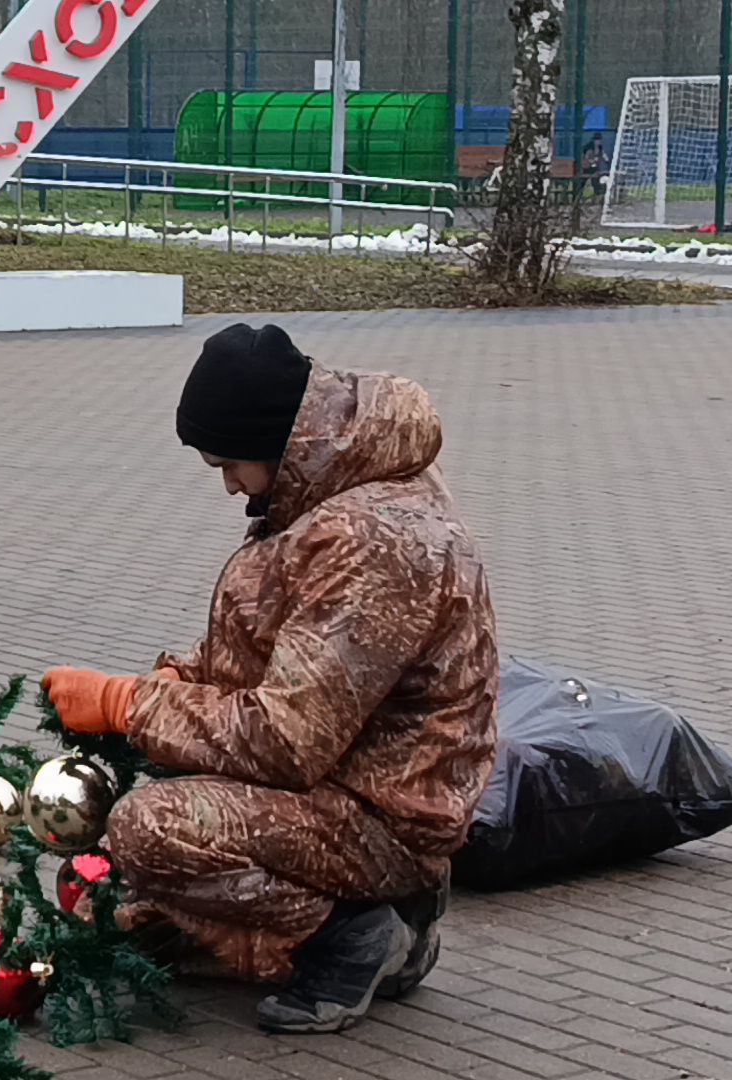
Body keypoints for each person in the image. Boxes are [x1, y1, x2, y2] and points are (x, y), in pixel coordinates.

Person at [43, 324, 499, 1034]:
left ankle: (353, 938)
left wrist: (129, 704)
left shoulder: (372, 540)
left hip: (382, 813)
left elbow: (286, 739)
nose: (229, 486)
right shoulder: (324, 494)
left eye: (230, 463)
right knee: (133, 901)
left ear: (281, 442)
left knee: (151, 828)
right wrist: (163, 683)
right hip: (343, 786)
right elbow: (266, 651)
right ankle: (379, 924)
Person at [580, 134, 609, 200]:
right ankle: (579, 195)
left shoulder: (600, 148)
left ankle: (597, 195)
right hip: (586, 167)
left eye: (600, 140)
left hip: (594, 168)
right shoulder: (589, 148)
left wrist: (606, 159)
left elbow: (604, 156)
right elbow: (586, 158)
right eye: (597, 140)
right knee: (583, 182)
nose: (599, 141)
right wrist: (592, 161)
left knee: (596, 180)